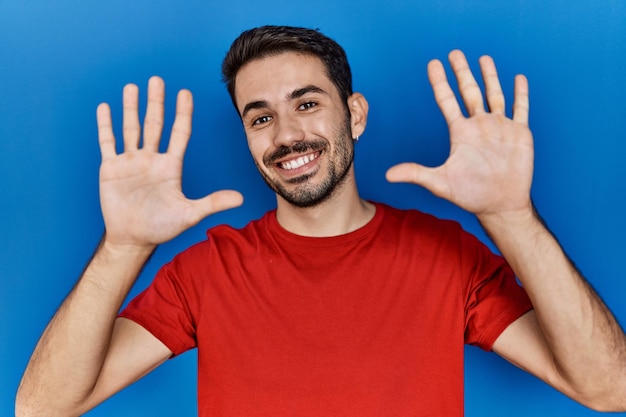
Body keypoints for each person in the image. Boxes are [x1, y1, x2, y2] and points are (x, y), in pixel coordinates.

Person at [15, 25, 626, 416]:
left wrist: (510, 217)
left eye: (307, 103)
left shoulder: (447, 255)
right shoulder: (206, 271)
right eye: (260, 118)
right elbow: (41, 409)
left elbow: (609, 389)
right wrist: (122, 247)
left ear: (354, 115)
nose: (286, 135)